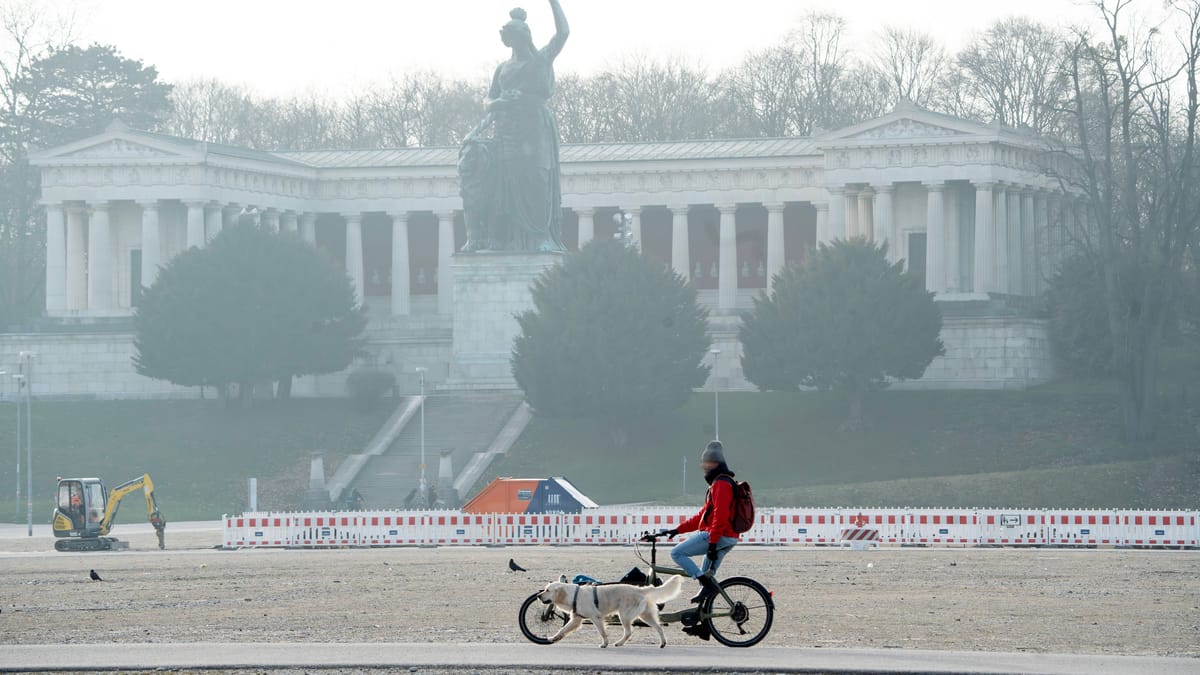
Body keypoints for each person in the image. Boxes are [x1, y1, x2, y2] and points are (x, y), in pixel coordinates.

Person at [481, 0, 569, 252]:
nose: (509, 41)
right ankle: (507, 238)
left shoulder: (541, 59)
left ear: (523, 36)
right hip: (507, 131)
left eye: (512, 35)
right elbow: (487, 101)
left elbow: (563, 33)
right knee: (507, 183)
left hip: (535, 128)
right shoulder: (502, 69)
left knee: (538, 178)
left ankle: (541, 235)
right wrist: (496, 103)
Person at [662, 440, 739, 605]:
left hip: (720, 536)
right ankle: (703, 622)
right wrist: (678, 530)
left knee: (677, 553)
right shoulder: (719, 483)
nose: (702, 465)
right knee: (706, 580)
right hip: (727, 537)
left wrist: (712, 543)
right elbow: (703, 516)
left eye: (705, 462)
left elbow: (720, 516)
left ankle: (705, 583)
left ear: (715, 463)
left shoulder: (721, 484)